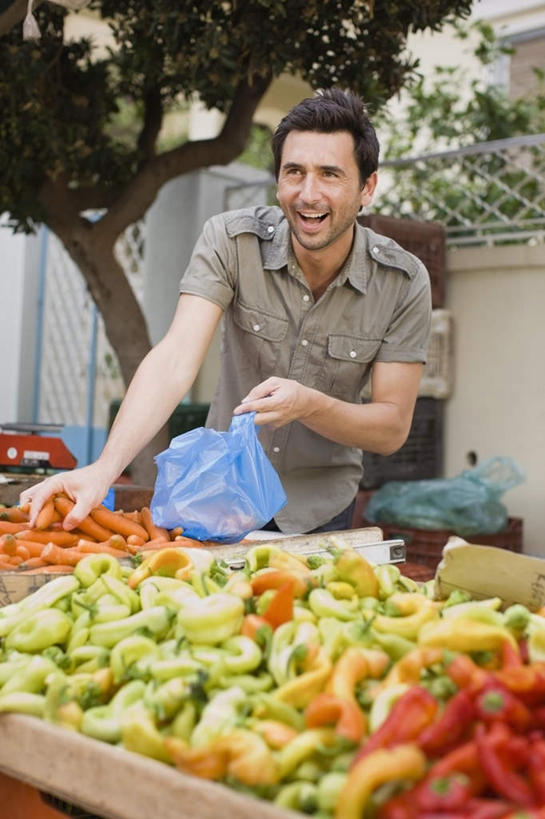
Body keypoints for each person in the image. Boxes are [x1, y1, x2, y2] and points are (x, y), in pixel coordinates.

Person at [22, 88, 431, 535]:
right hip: (219, 499)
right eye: (294, 172)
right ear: (278, 180)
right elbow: (175, 358)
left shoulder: (402, 281)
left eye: (330, 174)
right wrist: (103, 469)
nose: (308, 193)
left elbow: (391, 427)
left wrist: (308, 405)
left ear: (367, 187)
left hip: (320, 512)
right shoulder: (232, 242)